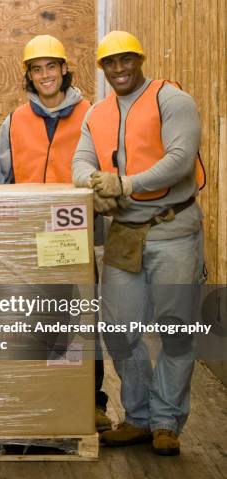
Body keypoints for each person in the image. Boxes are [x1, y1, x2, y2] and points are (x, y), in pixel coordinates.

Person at [72, 31, 205, 456]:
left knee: (175, 329)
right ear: (102, 68)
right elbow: (80, 161)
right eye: (110, 63)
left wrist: (124, 184)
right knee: (118, 328)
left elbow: (180, 159)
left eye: (126, 60)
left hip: (173, 228)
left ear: (140, 60)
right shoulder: (97, 113)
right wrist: (93, 185)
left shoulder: (172, 99)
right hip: (125, 233)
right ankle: (139, 416)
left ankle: (167, 421)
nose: (119, 69)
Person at [0, 34, 112, 432]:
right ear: (27, 75)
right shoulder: (13, 121)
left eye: (52, 67)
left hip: (72, 234)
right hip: (28, 235)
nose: (45, 75)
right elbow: (2, 178)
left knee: (81, 320)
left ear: (64, 69)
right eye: (36, 69)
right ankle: (35, 395)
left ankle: (92, 401)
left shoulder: (92, 115)